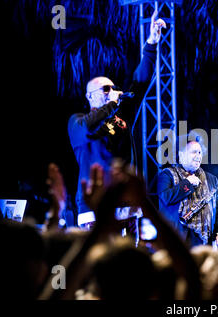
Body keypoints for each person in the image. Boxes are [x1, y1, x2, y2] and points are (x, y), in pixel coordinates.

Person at [68, 11, 166, 215]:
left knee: (129, 247)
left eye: (112, 88)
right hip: (94, 205)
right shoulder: (76, 122)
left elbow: (140, 82)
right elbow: (88, 128)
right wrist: (112, 104)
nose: (111, 92)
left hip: (125, 202)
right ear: (89, 96)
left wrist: (151, 44)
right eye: (105, 89)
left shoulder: (120, 117)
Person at [157, 134, 218, 249]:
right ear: (181, 155)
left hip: (206, 243)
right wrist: (187, 184)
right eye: (194, 152)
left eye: (200, 152)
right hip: (178, 241)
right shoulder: (167, 175)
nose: (198, 156)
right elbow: (165, 198)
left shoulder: (211, 179)